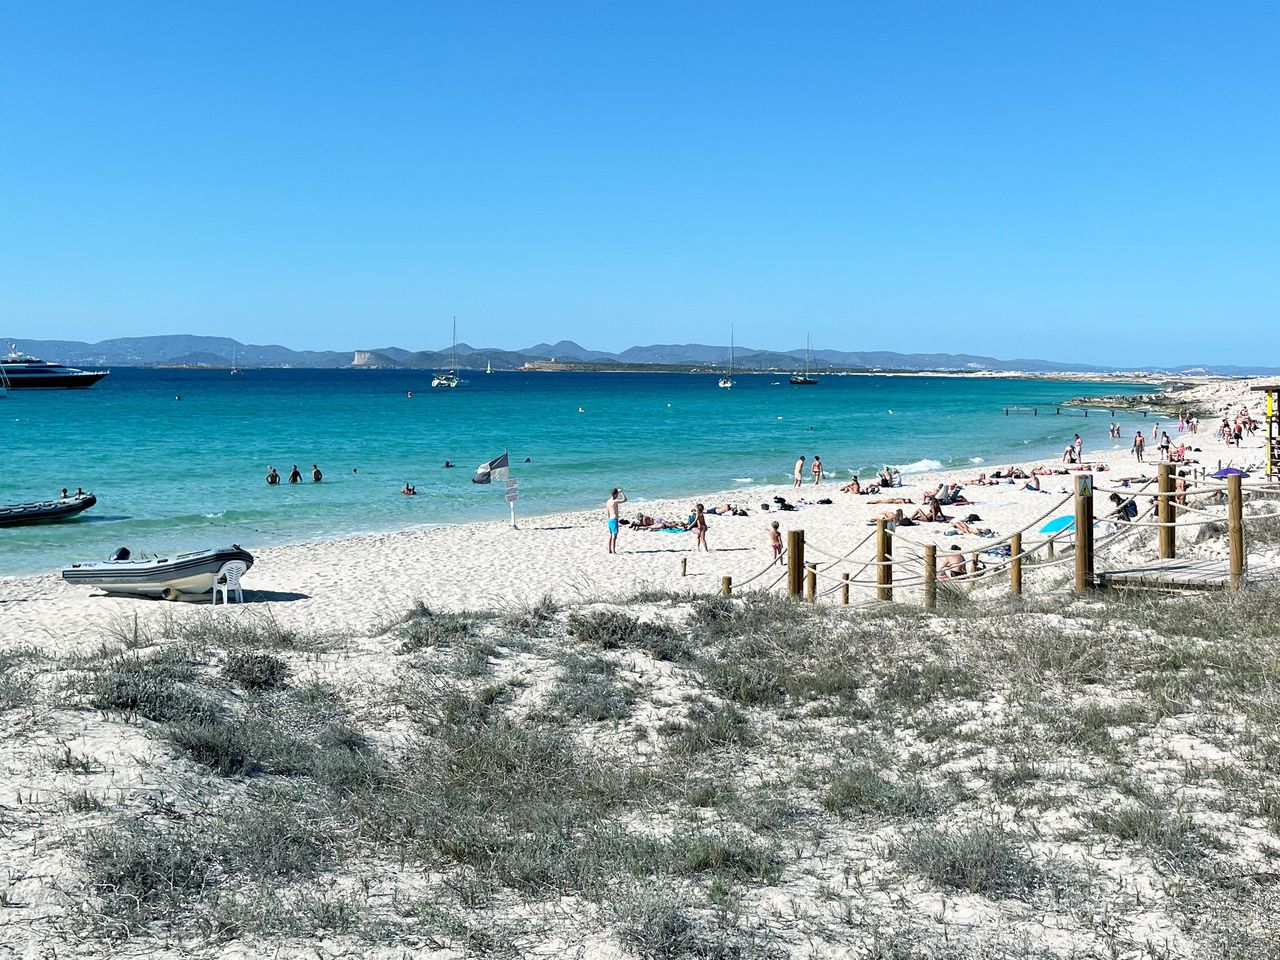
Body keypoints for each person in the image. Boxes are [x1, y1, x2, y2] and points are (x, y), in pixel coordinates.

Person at [606, 487, 627, 554]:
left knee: (610, 535)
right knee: (614, 537)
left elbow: (608, 512)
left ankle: (609, 550)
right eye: (617, 494)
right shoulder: (614, 501)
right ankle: (614, 551)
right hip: (614, 519)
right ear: (615, 494)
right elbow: (625, 499)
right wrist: (622, 492)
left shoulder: (608, 501)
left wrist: (608, 518)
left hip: (609, 520)